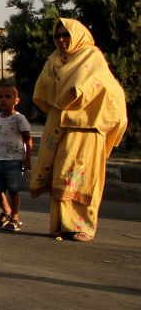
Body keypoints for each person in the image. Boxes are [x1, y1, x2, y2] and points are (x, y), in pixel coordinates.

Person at [30, 18, 127, 241]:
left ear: (77, 36)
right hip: (59, 123)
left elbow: (91, 86)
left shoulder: (92, 56)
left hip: (87, 126)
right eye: (57, 36)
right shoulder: (54, 59)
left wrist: (68, 88)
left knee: (81, 176)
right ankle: (61, 224)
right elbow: (43, 87)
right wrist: (62, 87)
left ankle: (84, 226)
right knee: (60, 173)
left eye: (66, 35)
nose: (62, 40)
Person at [0, 83, 33, 232]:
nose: (3, 100)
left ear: (16, 100)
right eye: (0, 97)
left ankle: (15, 217)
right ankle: (6, 211)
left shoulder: (19, 119)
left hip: (14, 160)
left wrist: (28, 158)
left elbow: (27, 139)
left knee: (13, 190)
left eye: (8, 96)